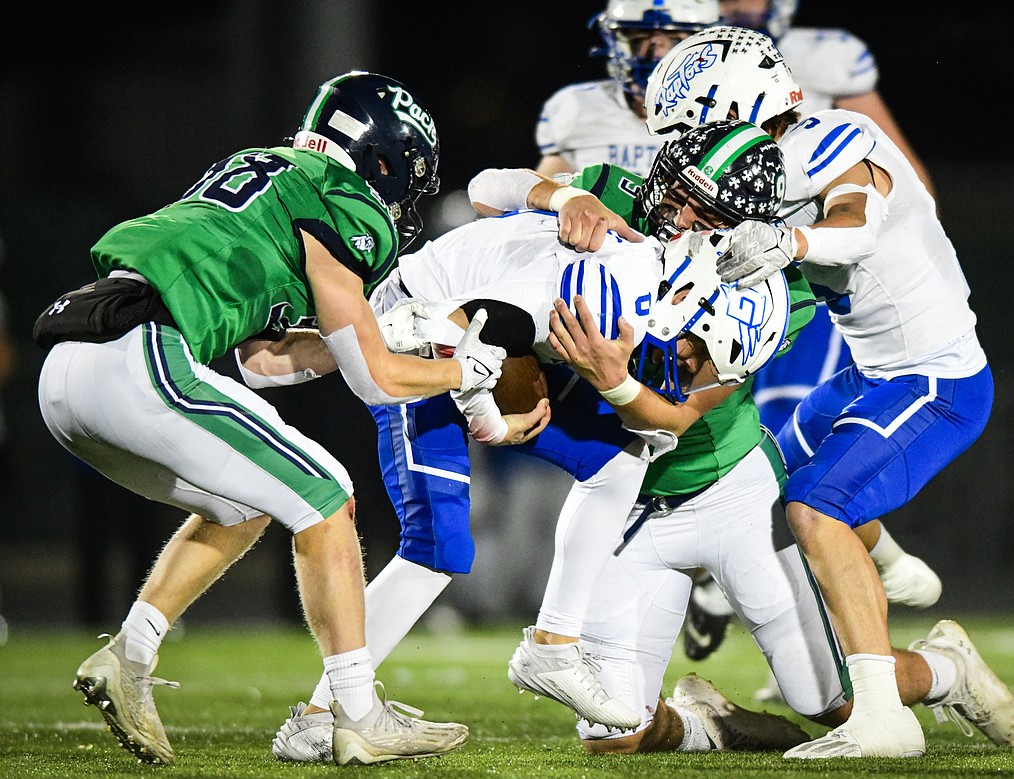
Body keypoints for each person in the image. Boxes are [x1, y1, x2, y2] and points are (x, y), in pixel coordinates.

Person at [268, 120, 814, 761]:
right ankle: (318, 714)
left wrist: (593, 385)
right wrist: (488, 416)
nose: (689, 371)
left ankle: (552, 646)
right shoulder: (620, 289)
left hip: (474, 329)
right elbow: (469, 322)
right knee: (437, 547)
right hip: (419, 330)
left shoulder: (671, 284)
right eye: (693, 357)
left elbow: (666, 413)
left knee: (621, 459)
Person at [33, 70, 507, 766]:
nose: (400, 197)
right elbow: (376, 382)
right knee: (328, 493)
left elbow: (264, 361)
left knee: (246, 502)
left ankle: (130, 655)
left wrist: (378, 332)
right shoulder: (345, 198)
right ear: (381, 158)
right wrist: (463, 369)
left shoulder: (262, 171)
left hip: (71, 370)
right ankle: (357, 712)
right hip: (142, 354)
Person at [643, 26, 998, 758]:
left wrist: (790, 243)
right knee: (764, 485)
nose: (689, 151)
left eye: (697, 130)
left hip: (935, 375)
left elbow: (856, 222)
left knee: (816, 506)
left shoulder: (832, 137)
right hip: (869, 373)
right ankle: (897, 585)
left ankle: (883, 719)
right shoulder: (755, 166)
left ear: (739, 109)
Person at [545, 256, 1014, 755]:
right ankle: (712, 725)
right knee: (612, 733)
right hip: (633, 512)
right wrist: (552, 192)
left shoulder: (762, 288)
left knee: (835, 702)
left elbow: (674, 418)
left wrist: (611, 381)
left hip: (736, 497)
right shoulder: (601, 247)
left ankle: (947, 669)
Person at [679, 2, 946, 662]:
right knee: (763, 451)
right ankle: (870, 570)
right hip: (758, 262)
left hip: (811, 269)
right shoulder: (698, 61)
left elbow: (878, 193)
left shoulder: (825, 87)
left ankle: (811, 622)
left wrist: (806, 239)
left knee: (802, 475)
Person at [535, 0, 718, 178]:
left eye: (675, 39)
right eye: (639, 39)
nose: (656, 54)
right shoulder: (577, 106)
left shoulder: (723, 114)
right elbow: (544, 195)